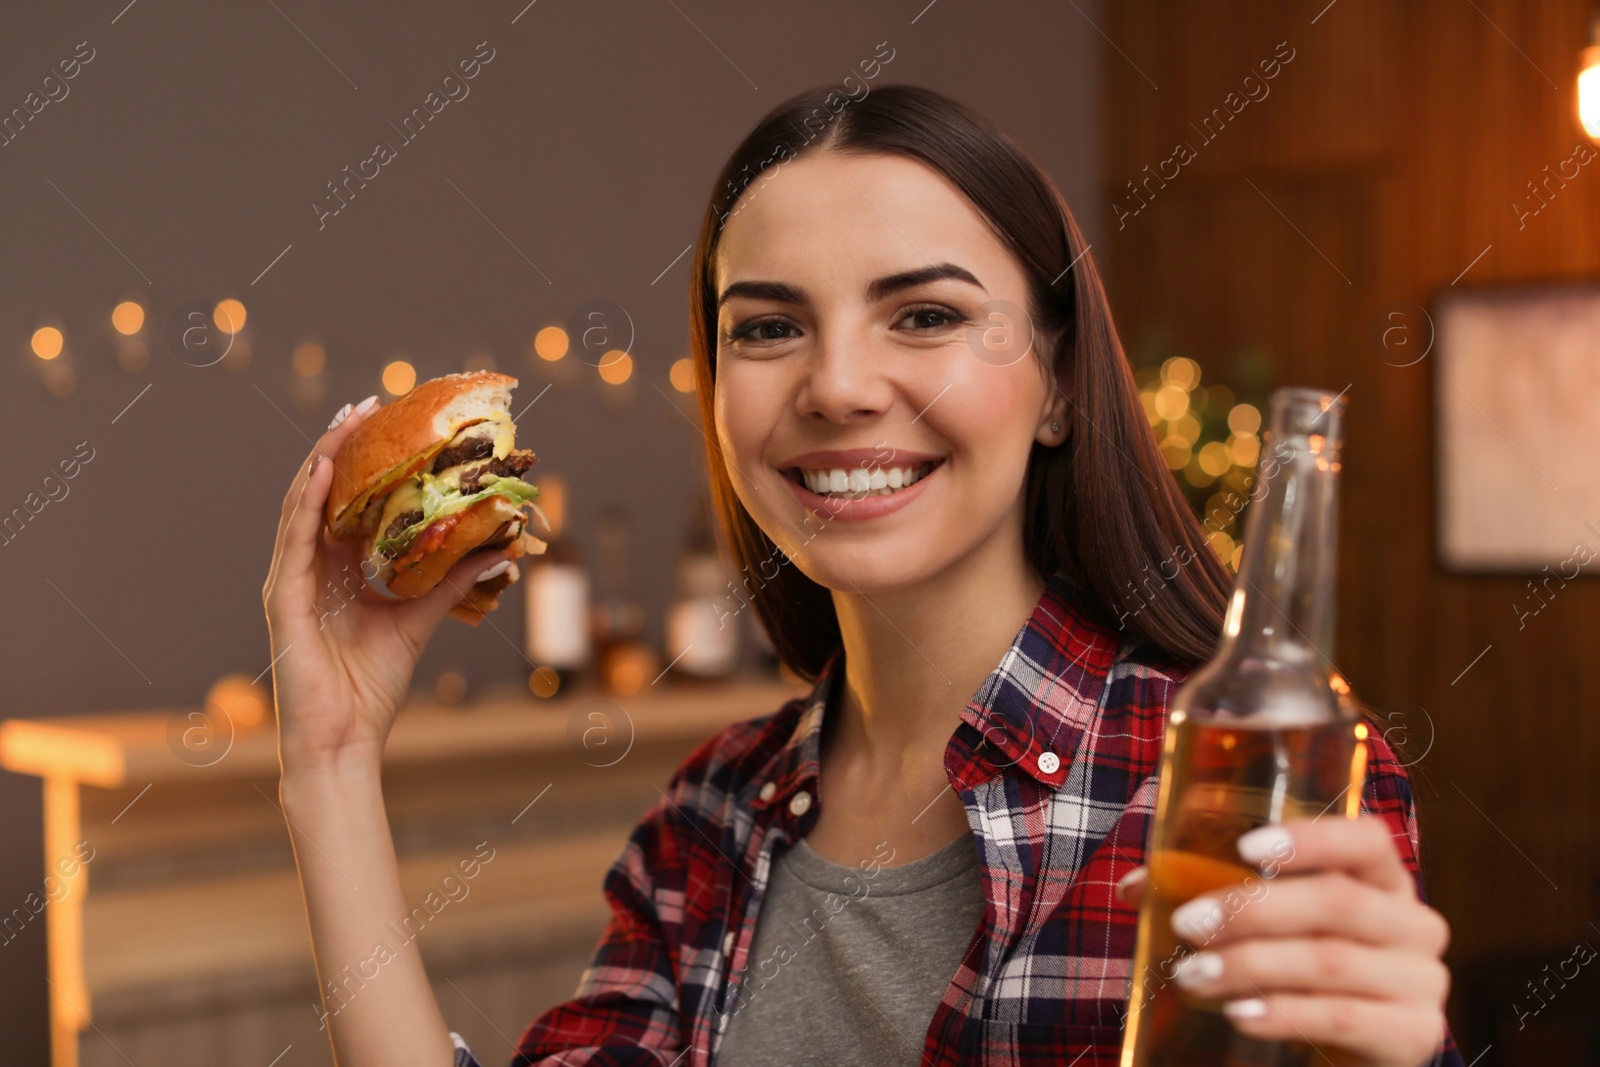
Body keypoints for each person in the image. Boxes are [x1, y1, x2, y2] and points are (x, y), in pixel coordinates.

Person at [263, 84, 1458, 1066]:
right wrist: (328, 758)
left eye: (926, 315)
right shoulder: (709, 818)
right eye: (768, 327)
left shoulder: (1234, 785)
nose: (835, 385)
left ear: (1056, 382)